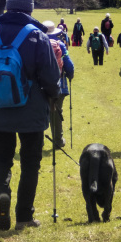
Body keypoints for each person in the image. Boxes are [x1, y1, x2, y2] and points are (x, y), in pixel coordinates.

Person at [0, 0, 61, 231]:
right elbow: (52, 79)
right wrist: (52, 98)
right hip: (31, 112)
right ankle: (23, 216)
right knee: (31, 162)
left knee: (1, 160)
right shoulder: (38, 36)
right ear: (30, 9)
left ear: (8, 7)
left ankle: (2, 193)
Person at [43, 20, 74, 149]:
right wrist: (70, 76)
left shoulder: (37, 43)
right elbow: (69, 65)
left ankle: (39, 141)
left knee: (41, 112)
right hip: (59, 84)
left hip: (41, 85)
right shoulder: (60, 44)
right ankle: (58, 140)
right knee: (56, 112)